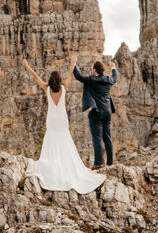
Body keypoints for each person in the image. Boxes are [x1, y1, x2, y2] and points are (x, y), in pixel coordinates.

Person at [21, 57, 105, 194]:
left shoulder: (46, 88)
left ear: (50, 80)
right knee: (64, 143)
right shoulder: (63, 87)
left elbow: (35, 76)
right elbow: (70, 75)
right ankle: (66, 168)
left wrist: (27, 65)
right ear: (59, 79)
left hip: (52, 120)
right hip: (62, 119)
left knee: (51, 142)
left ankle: (52, 169)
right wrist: (72, 63)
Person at [72, 59, 117, 169]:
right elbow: (115, 78)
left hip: (97, 112)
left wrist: (73, 64)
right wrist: (113, 67)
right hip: (108, 111)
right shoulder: (108, 80)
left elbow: (79, 77)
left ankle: (98, 163)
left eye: (93, 68)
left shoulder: (92, 79)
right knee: (108, 137)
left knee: (97, 138)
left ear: (95, 70)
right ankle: (110, 163)